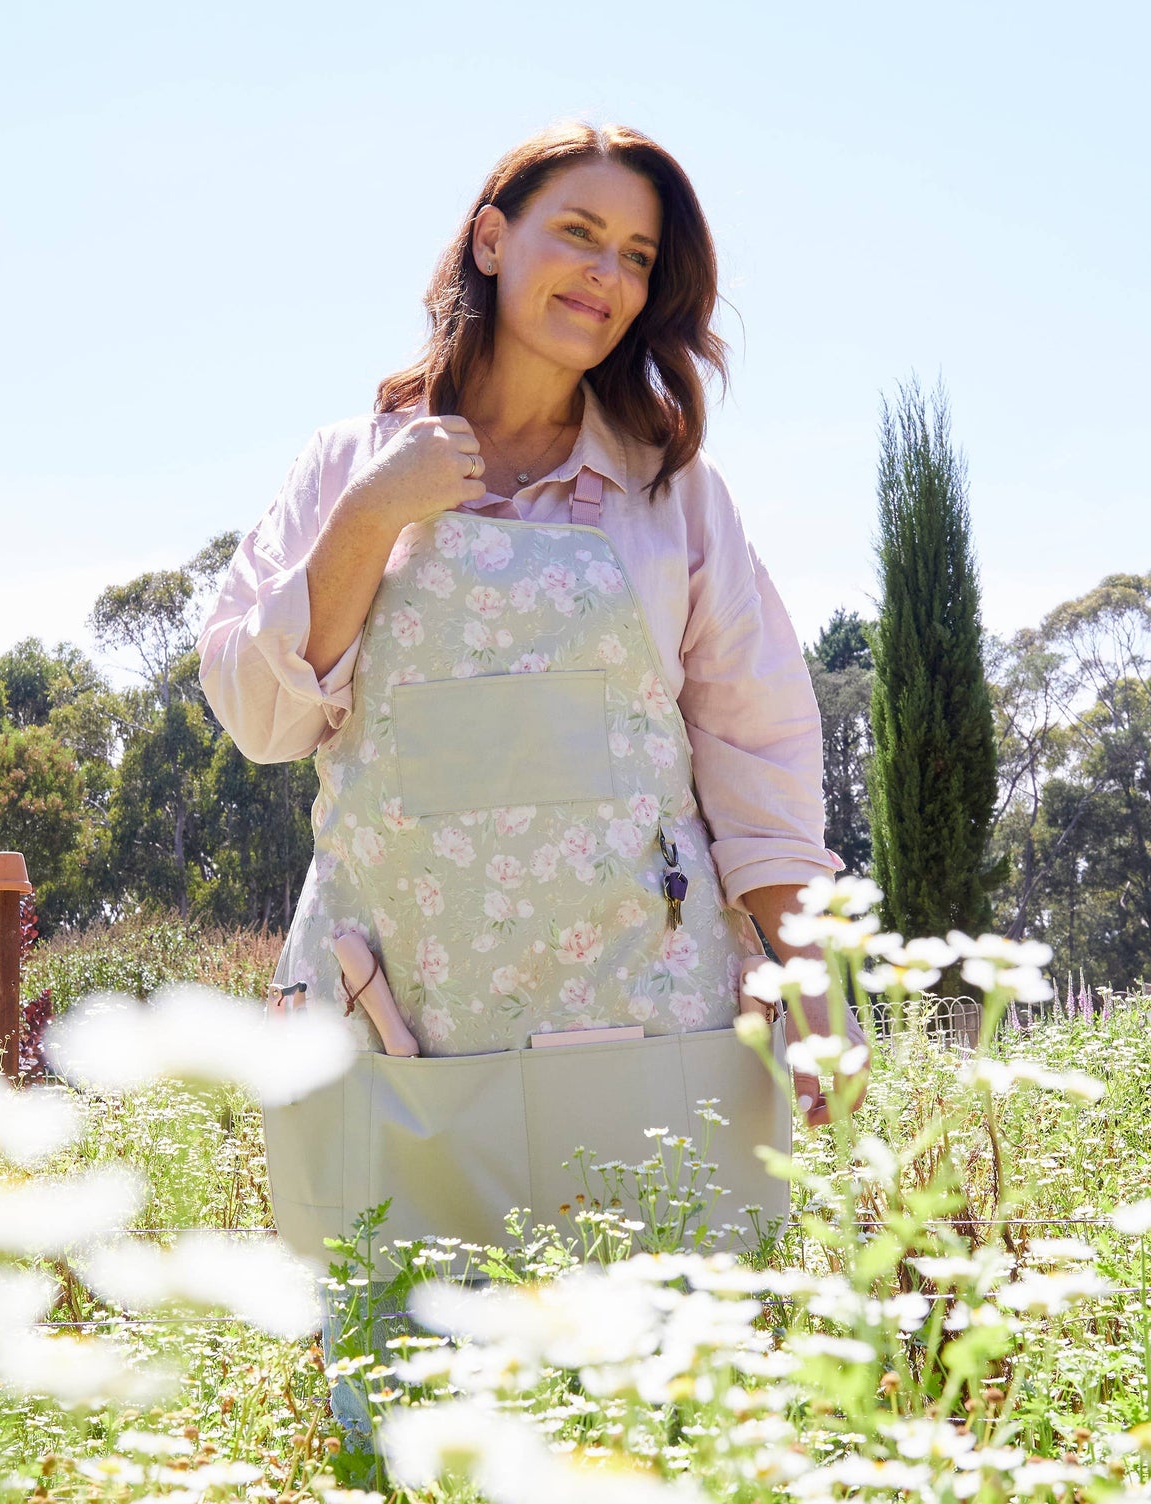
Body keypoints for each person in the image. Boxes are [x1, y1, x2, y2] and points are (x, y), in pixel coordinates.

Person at [197, 121, 868, 1277]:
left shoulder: (675, 496)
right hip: (399, 1019)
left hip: (654, 1025)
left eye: (639, 257)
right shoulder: (348, 463)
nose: (608, 276)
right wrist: (370, 517)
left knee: (664, 1402)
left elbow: (757, 753)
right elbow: (264, 719)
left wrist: (816, 997)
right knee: (413, 1400)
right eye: (581, 234)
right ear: (494, 240)